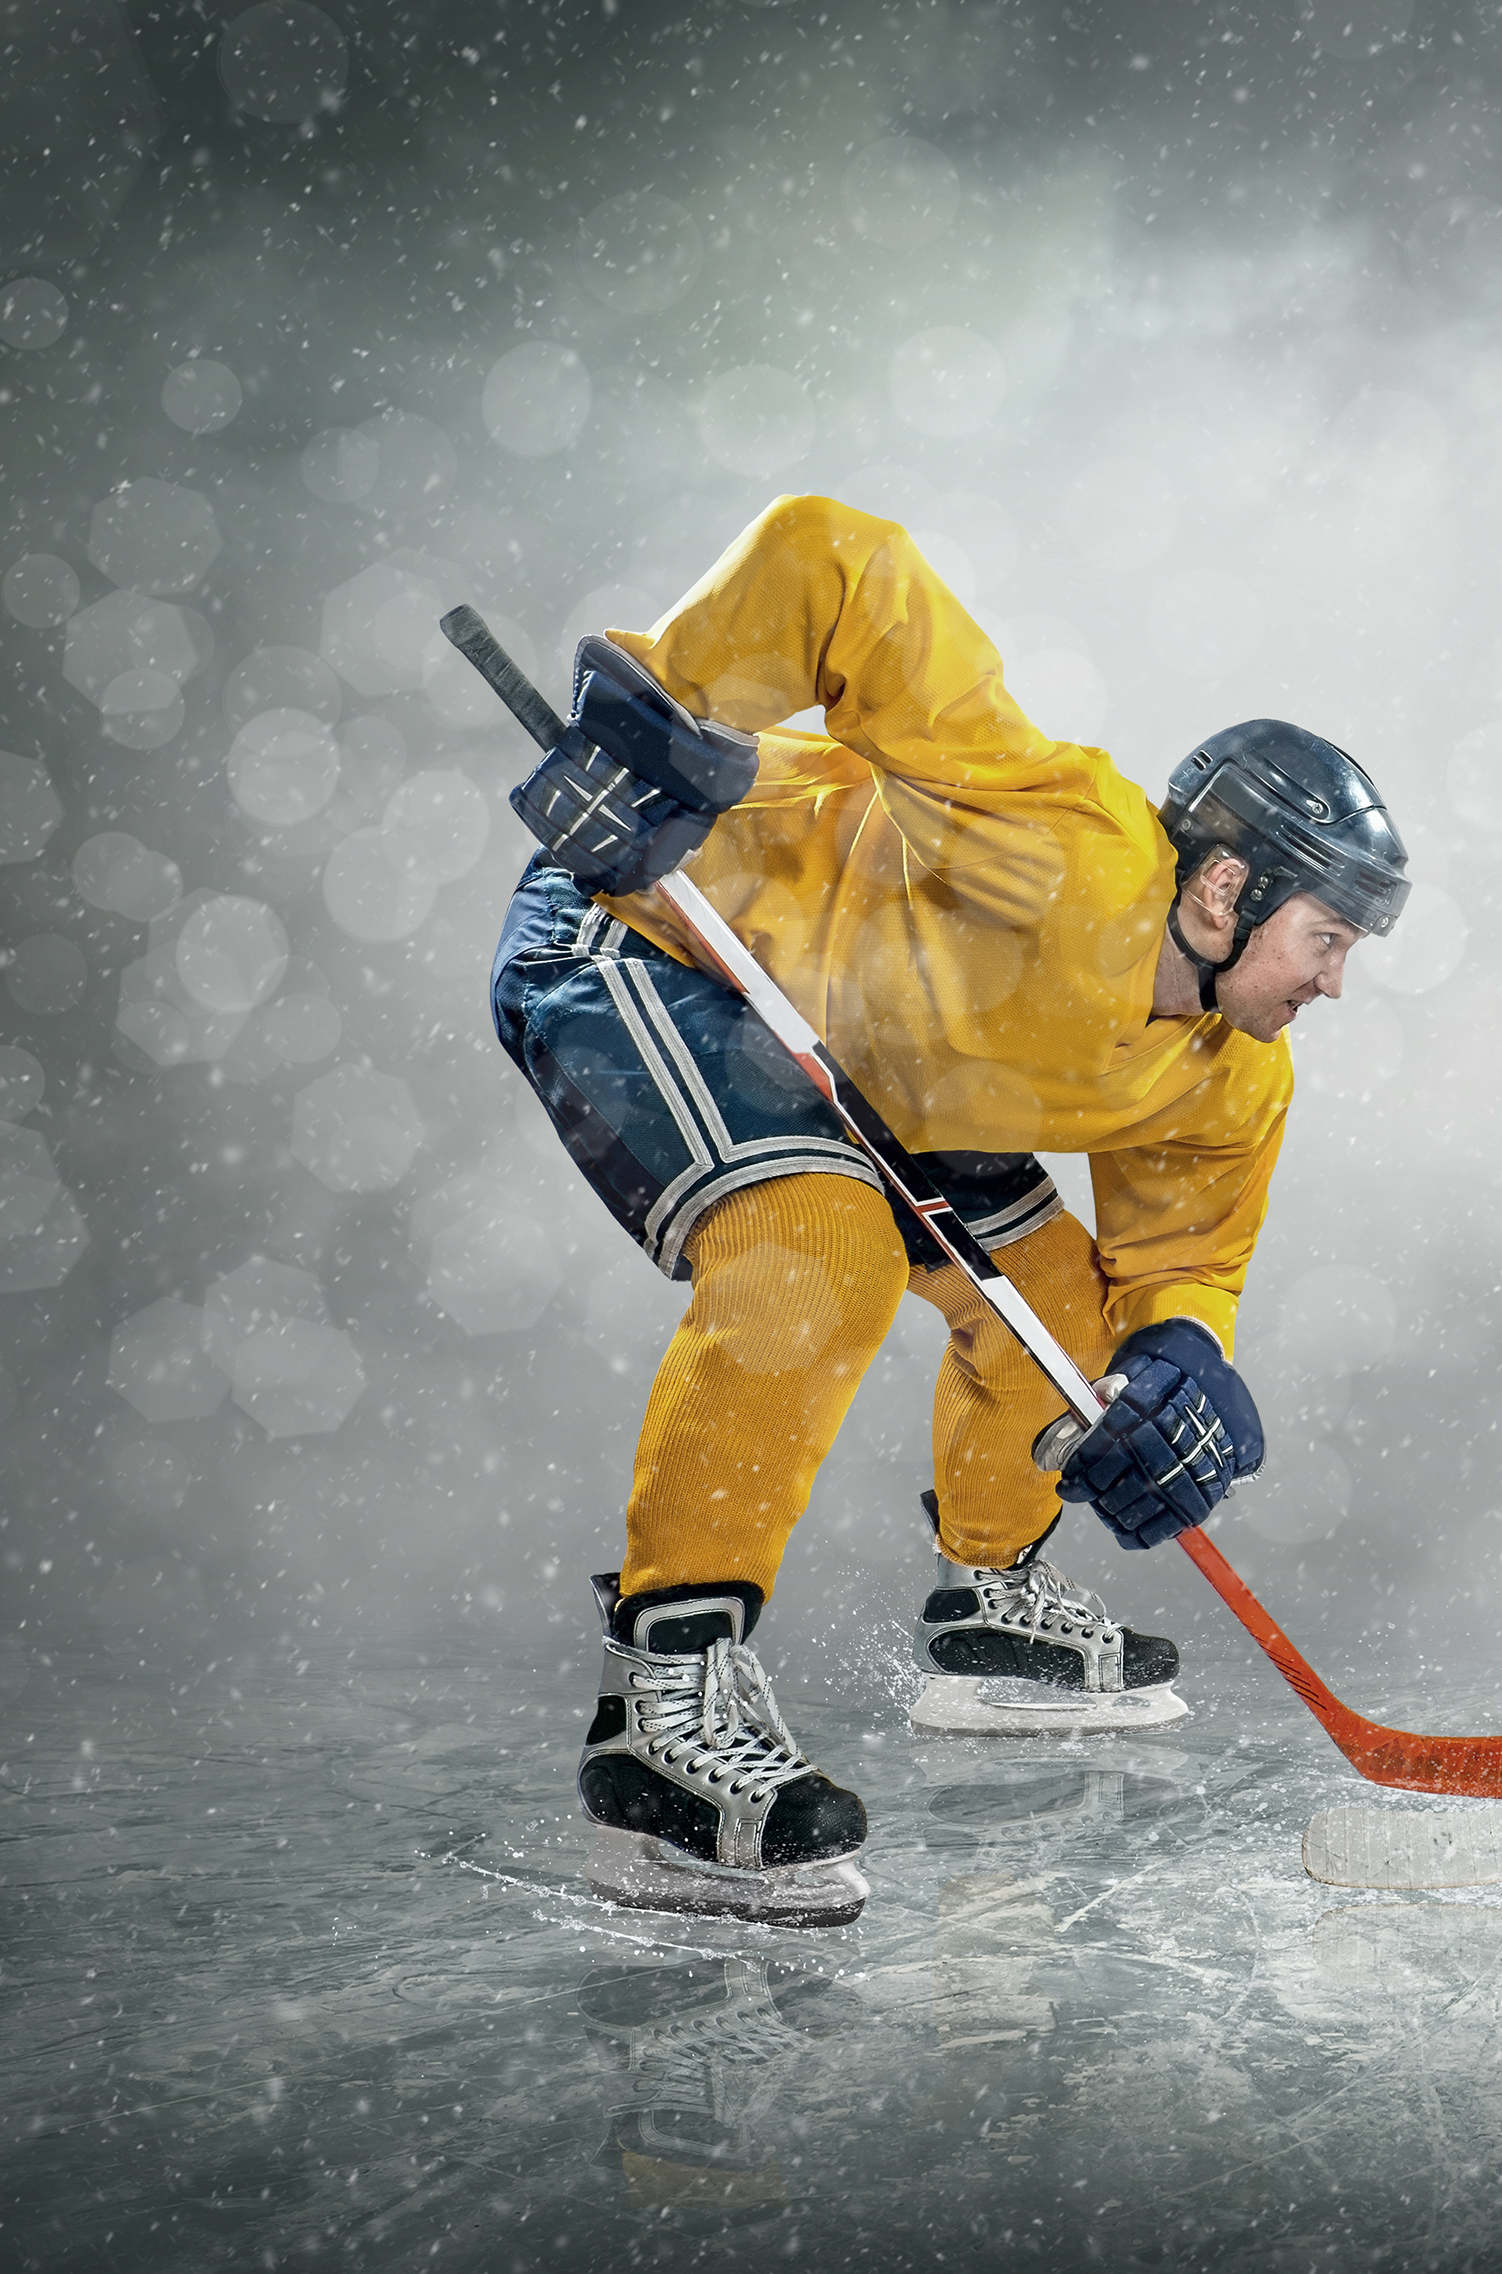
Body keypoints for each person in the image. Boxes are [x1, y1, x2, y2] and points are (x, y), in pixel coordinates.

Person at [486, 496, 1408, 1921]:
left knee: (1066, 1313)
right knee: (817, 1255)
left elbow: (1186, 1259)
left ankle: (987, 1604)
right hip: (655, 937)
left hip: (884, 1061)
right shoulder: (1075, 849)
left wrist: (1175, 1361)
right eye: (1325, 937)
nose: (1335, 979)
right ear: (1228, 886)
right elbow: (834, 563)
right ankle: (657, 1711)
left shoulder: (1234, 1075)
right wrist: (663, 708)